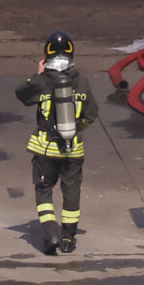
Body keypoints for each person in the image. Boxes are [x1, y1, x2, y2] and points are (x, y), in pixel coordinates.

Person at [15, 31, 95, 254]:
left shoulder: (42, 81)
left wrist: (37, 74)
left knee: (43, 190)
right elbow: (91, 115)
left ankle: (51, 234)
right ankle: (69, 238)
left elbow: (21, 95)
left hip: (46, 151)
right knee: (71, 192)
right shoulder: (82, 82)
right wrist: (75, 131)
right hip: (74, 151)